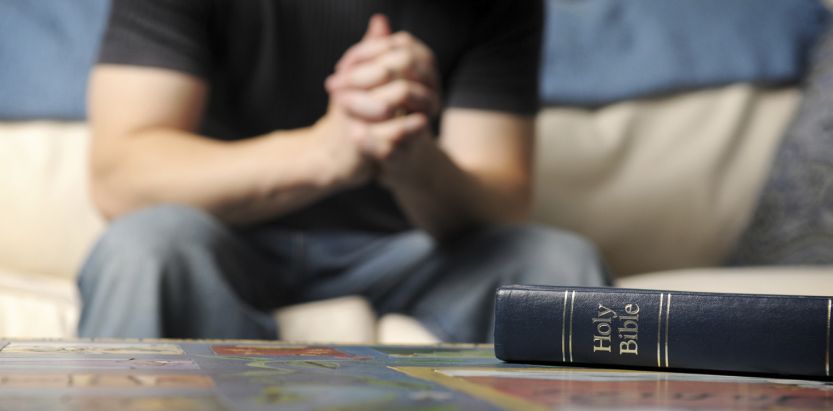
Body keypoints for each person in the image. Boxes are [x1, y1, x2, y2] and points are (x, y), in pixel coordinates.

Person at [77, 0, 609, 343]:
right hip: (227, 242)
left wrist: (409, 154)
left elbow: (501, 202)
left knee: (556, 261)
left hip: (408, 251)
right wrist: (327, 153)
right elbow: (120, 176)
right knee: (141, 248)